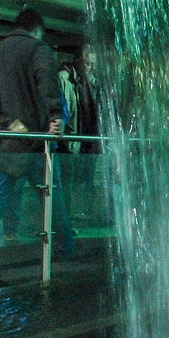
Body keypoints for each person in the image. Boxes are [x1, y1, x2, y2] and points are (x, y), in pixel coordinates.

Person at [0, 9, 73, 272]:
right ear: (37, 30)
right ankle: (65, 248)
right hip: (34, 141)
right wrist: (56, 117)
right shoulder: (38, 49)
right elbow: (47, 85)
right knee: (51, 196)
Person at [58, 46, 101, 223]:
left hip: (90, 141)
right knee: (67, 184)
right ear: (78, 61)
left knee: (86, 180)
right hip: (70, 142)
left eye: (93, 64)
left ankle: (84, 216)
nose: (90, 68)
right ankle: (65, 221)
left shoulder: (96, 83)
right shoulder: (64, 78)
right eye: (87, 63)